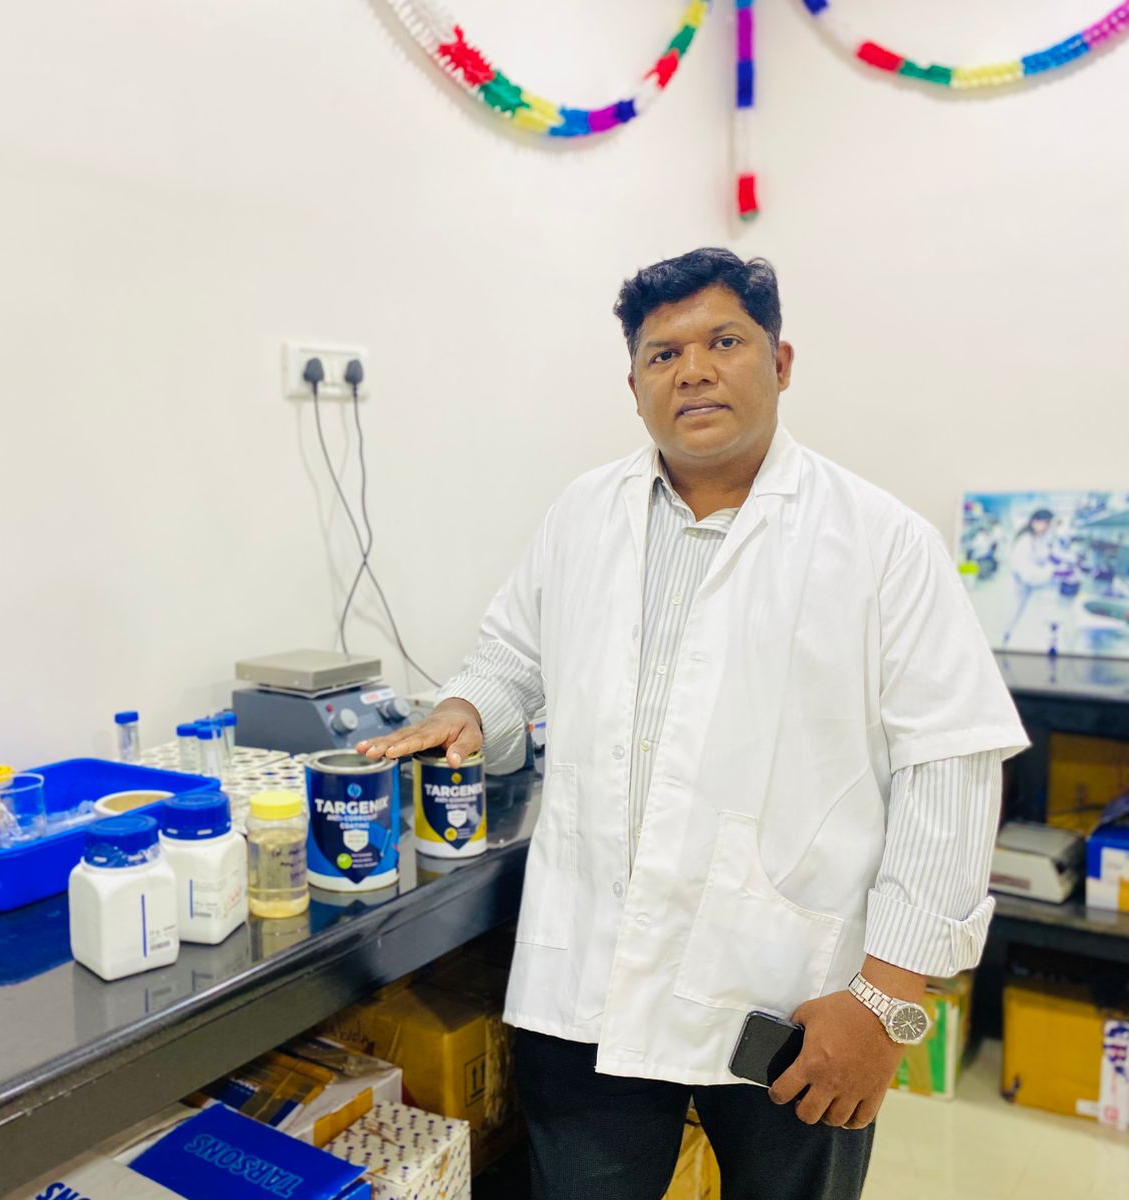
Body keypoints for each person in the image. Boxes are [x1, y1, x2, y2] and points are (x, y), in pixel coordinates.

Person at [357, 248, 1027, 1200]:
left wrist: (887, 1001)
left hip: (795, 998)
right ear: (633, 386)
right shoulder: (582, 515)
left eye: (725, 342)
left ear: (780, 363)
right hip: (588, 986)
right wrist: (466, 710)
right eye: (663, 354)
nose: (694, 371)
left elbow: (950, 770)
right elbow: (511, 658)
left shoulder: (884, 543)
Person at [1003, 508, 1055, 645]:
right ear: (1034, 521)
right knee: (1014, 615)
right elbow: (1027, 573)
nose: (1047, 527)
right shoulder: (1025, 540)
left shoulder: (1036, 537)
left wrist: (1051, 559)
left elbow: (1041, 554)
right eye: (1045, 523)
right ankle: (1006, 640)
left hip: (1026, 586)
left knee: (1020, 615)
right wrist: (1053, 572)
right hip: (1019, 586)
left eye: (1049, 524)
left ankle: (1009, 637)